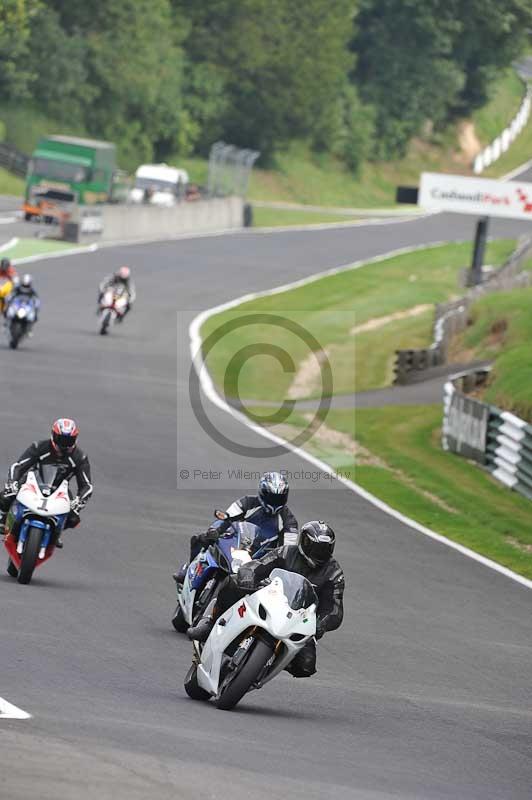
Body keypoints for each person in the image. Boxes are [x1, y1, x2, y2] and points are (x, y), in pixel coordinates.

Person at [187, 520, 344, 678]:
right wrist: (249, 575)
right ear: (304, 542)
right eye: (316, 548)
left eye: (324, 549)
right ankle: (210, 622)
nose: (319, 553)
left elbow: (335, 609)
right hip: (270, 599)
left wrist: (321, 624)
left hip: (298, 620)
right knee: (232, 583)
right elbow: (260, 563)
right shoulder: (286, 552)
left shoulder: (333, 573)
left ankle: (270, 663)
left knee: (305, 667)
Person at [174, 471, 298, 584]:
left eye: (278, 498)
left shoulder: (289, 521)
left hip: (262, 557)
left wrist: (277, 564)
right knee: (201, 538)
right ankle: (187, 570)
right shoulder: (248, 502)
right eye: (271, 497)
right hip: (238, 544)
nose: (274, 501)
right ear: (262, 493)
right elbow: (228, 517)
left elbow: (288, 548)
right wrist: (215, 531)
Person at [0, 418, 93, 548]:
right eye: (61, 440)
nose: (65, 445)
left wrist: (78, 502)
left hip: (60, 488)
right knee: (6, 496)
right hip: (34, 481)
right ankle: (2, 518)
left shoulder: (79, 457)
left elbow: (86, 485)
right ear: (53, 436)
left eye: (68, 441)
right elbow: (18, 466)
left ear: (75, 439)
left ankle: (56, 533)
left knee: (73, 518)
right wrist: (13, 483)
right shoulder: (39, 447)